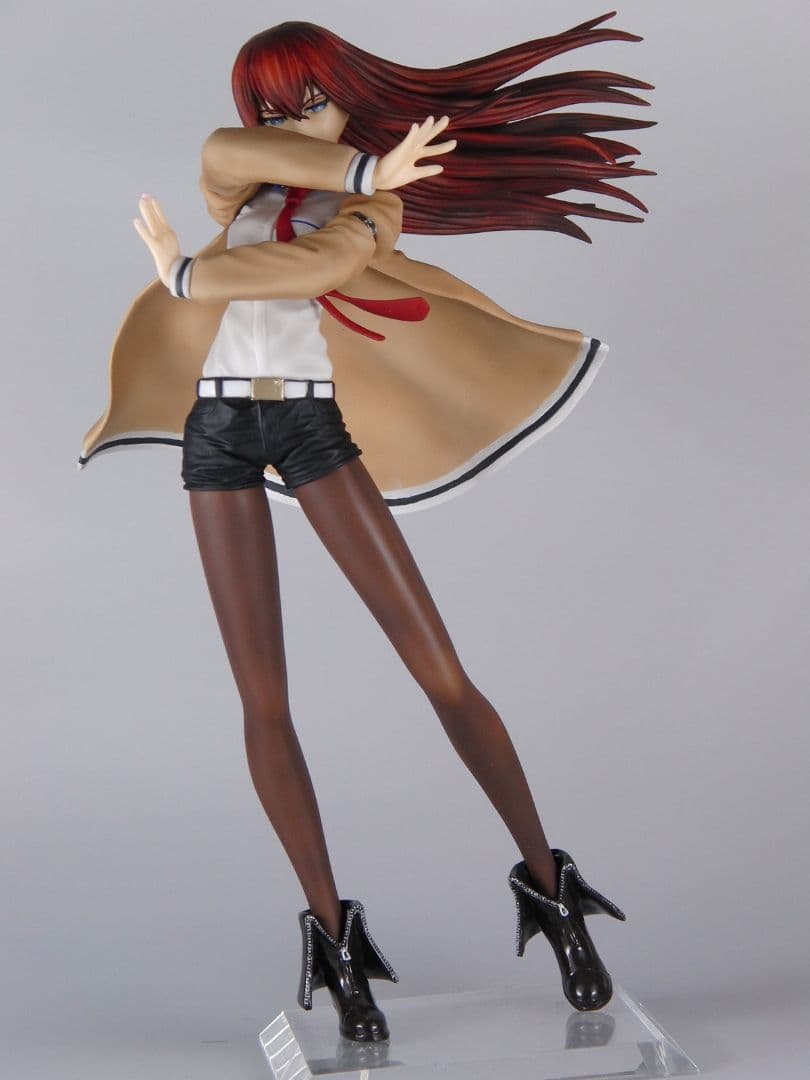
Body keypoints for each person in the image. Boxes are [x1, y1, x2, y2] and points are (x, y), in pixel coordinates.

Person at [79, 11, 654, 1044]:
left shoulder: (374, 210)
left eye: (313, 101)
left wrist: (190, 274)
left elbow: (306, 273)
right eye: (274, 107)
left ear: (351, 100)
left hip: (308, 425)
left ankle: (552, 888)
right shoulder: (244, 185)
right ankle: (336, 942)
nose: (290, 123)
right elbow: (221, 150)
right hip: (218, 427)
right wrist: (350, 158)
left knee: (440, 671)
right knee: (263, 700)